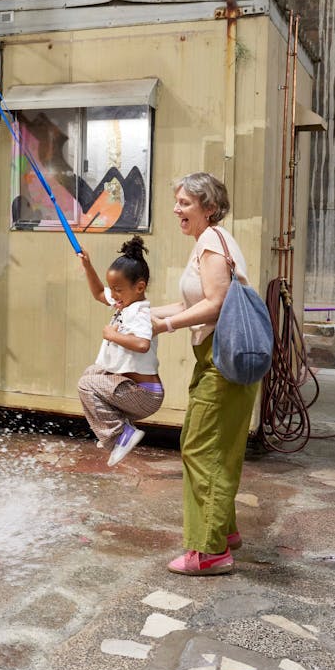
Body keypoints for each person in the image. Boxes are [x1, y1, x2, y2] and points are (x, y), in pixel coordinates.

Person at [150, 172, 259, 577]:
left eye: (185, 203)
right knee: (218, 447)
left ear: (208, 207)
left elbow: (216, 304)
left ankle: (210, 552)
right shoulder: (213, 241)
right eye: (176, 201)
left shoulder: (212, 242)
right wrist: (144, 311)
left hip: (221, 361)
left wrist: (165, 327)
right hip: (218, 360)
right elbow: (189, 302)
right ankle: (225, 532)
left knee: (201, 448)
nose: (177, 209)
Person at [77, 236, 164, 467]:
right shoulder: (124, 303)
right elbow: (98, 294)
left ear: (140, 287)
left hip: (145, 394)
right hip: (132, 390)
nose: (113, 295)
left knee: (86, 386)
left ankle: (120, 435)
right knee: (90, 374)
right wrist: (87, 265)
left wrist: (112, 335)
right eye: (112, 289)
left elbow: (143, 343)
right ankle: (118, 427)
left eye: (118, 290)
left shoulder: (139, 311)